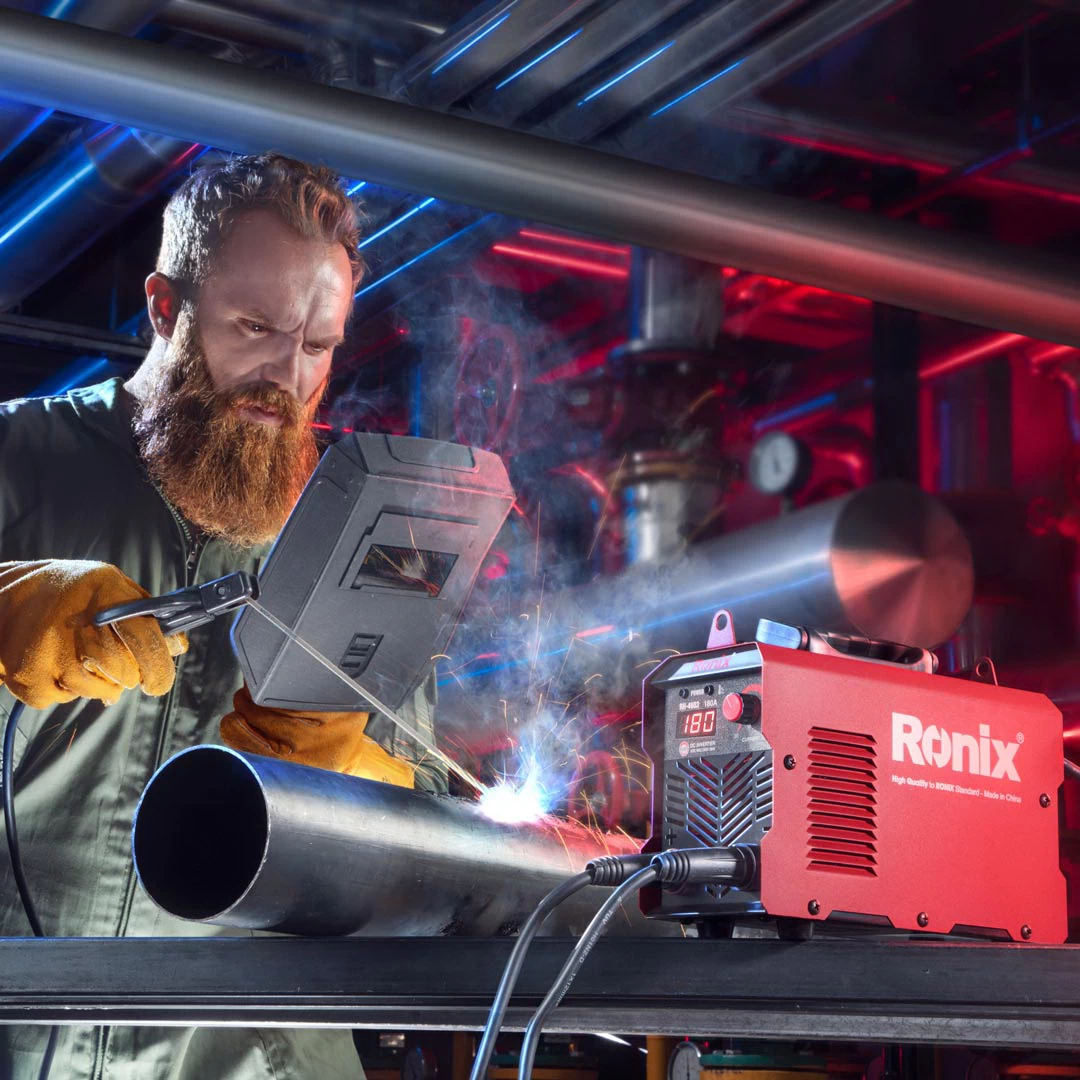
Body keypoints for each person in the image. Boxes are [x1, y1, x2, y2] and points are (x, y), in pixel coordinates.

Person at [0, 152, 437, 1079]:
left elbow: (436, 842)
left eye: (318, 346)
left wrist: (353, 775)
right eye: (254, 327)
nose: (287, 375)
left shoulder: (367, 549)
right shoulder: (16, 456)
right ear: (166, 308)